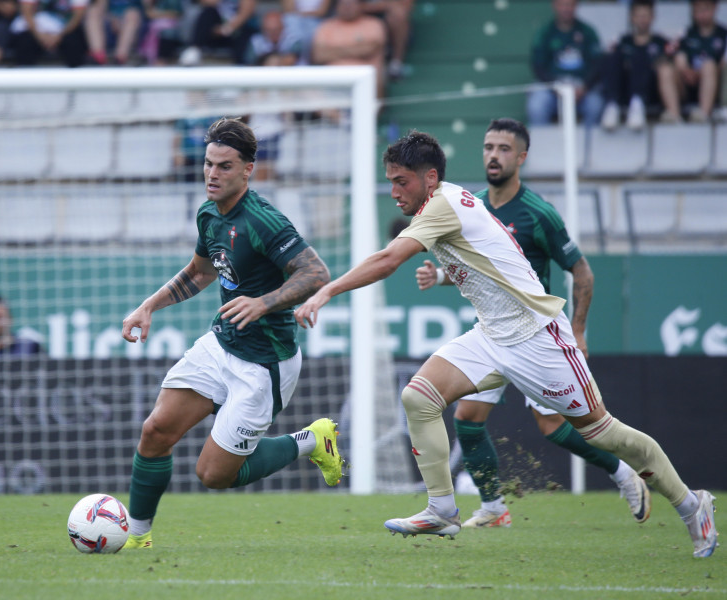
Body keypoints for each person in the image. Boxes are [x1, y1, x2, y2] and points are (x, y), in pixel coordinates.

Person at [294, 130, 718, 558]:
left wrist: (326, 291)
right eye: (390, 181)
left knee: (606, 434)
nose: (394, 191)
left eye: (401, 181)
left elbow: (387, 259)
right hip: (492, 333)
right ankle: (442, 508)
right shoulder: (448, 201)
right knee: (419, 397)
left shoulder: (442, 205)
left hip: (538, 335)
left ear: (430, 177)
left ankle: (690, 504)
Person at [413, 118, 649, 529]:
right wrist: (440, 276)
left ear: (521, 157)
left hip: (536, 335)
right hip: (492, 331)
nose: (493, 155)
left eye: (504, 149)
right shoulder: (471, 205)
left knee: (553, 424)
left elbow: (583, 272)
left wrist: (577, 331)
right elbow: (475, 270)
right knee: (467, 417)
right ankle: (492, 507)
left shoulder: (539, 213)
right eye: (488, 147)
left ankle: (622, 472)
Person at [120, 117, 341, 549]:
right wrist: (150, 305)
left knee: (213, 475)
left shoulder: (263, 220)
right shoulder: (209, 213)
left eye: (223, 166)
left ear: (248, 169)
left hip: (264, 363)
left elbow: (317, 273)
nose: (212, 174)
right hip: (220, 345)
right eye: (207, 164)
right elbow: (201, 272)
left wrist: (265, 302)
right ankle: (136, 536)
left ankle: (312, 440)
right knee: (155, 431)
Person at [600, 0, 682, 130]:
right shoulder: (622, 41)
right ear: (631, 17)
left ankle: (638, 103)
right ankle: (612, 106)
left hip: (653, 92)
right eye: (638, 16)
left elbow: (674, 72)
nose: (642, 20)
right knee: (612, 56)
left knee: (640, 55)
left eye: (645, 16)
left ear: (653, 17)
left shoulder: (662, 43)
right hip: (625, 89)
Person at [527, 0, 605, 126]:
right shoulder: (545, 32)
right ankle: (541, 145)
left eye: (570, 4)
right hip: (552, 88)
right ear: (554, 5)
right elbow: (538, 66)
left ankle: (589, 146)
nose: (566, 9)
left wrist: (585, 86)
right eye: (562, 4)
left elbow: (598, 64)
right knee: (537, 105)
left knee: (595, 105)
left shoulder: (587, 31)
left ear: (576, 6)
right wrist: (555, 87)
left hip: (582, 88)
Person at [311, 0, 388, 98]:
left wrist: (333, 51)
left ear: (361, 5)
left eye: (351, 3)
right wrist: (355, 48)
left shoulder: (374, 24)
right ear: (336, 7)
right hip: (332, 81)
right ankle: (335, 113)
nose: (347, 7)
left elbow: (368, 50)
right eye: (343, 4)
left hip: (364, 82)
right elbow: (319, 55)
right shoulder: (326, 26)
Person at [674, 0, 727, 122]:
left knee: (708, 65)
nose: (701, 15)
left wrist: (704, 72)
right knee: (670, 67)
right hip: (689, 83)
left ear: (714, 8)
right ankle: (674, 114)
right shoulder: (685, 33)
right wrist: (687, 70)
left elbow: (724, 65)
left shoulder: (723, 34)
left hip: (714, 84)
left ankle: (703, 114)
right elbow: (679, 57)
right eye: (698, 10)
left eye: (705, 9)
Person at [10, 0, 89, 67]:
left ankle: (76, 81)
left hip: (64, 30)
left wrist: (59, 35)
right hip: (36, 30)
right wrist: (40, 35)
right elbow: (26, 12)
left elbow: (77, 16)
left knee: (74, 42)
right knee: (25, 42)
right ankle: (25, 80)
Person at [181, 0, 258, 66]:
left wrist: (226, 29)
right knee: (208, 13)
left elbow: (246, 12)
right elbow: (207, 2)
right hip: (217, 30)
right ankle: (194, 49)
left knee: (244, 35)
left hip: (238, 30)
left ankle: (242, 66)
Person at [361, 0, 413, 80]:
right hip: (359, 19)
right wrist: (387, 5)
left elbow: (406, 7)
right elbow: (347, 7)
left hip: (389, 25)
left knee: (398, 14)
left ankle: (396, 64)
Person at [83, 0, 144, 65]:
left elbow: (147, 9)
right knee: (93, 11)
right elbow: (101, 6)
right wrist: (112, 18)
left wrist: (122, 20)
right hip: (110, 18)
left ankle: (120, 57)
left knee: (132, 15)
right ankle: (98, 56)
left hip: (134, 20)